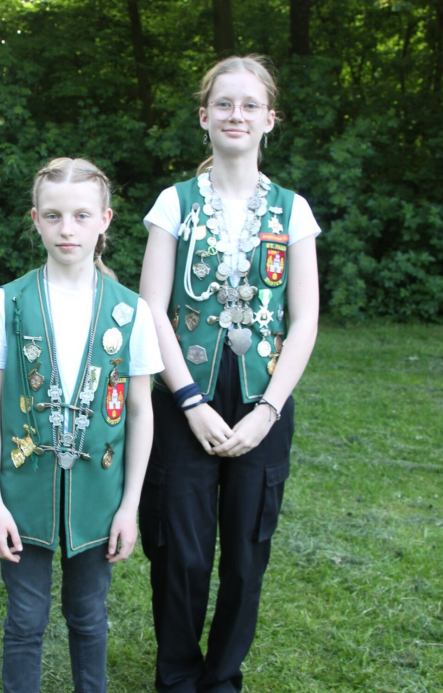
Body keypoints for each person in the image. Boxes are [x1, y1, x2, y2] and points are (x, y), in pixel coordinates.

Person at [138, 55, 320, 693]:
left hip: (262, 400)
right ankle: (177, 678)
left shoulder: (293, 211)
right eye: (223, 103)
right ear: (203, 116)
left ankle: (222, 680)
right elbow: (151, 308)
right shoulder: (175, 203)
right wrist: (189, 401)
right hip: (183, 397)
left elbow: (304, 319)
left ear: (270, 119)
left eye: (249, 105)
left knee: (246, 555)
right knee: (180, 551)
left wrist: (269, 411)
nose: (235, 114)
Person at [0, 158, 163, 693]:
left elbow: (140, 411)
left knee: (89, 616)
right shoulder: (7, 303)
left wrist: (130, 506)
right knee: (26, 620)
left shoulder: (131, 311)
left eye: (81, 215)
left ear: (105, 220)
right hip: (23, 496)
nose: (67, 229)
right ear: (36, 220)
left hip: (100, 499)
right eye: (53, 216)